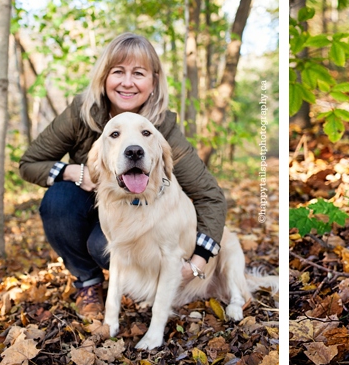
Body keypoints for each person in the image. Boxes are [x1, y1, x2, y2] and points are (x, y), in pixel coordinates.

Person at [19, 32, 227, 319]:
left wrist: (199, 261)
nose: (127, 82)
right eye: (118, 72)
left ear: (153, 82)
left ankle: (136, 286)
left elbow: (210, 196)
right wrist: (73, 171)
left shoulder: (162, 128)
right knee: (58, 200)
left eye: (139, 73)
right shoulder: (82, 112)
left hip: (135, 221)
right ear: (105, 77)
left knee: (101, 246)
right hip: (88, 206)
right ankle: (88, 283)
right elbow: (29, 162)